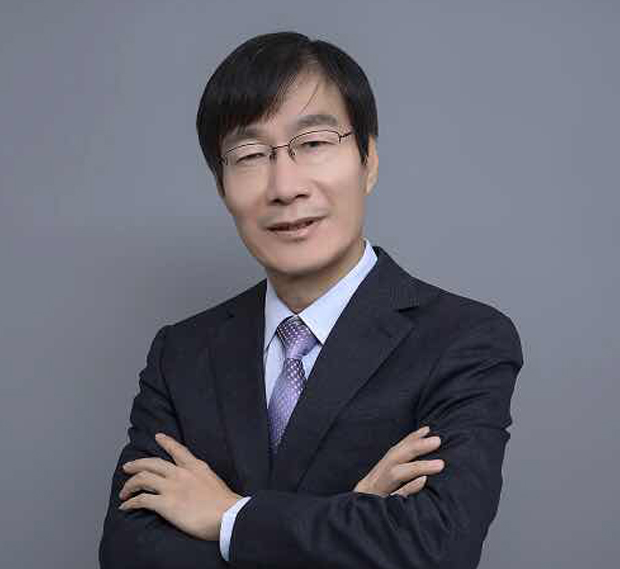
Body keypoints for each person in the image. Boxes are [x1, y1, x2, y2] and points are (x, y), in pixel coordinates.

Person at [99, 31, 524, 569]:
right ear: (221, 187)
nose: (285, 186)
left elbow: (434, 549)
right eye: (250, 154)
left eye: (315, 143)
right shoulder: (181, 354)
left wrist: (228, 516)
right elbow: (128, 554)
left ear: (369, 159)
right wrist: (353, 515)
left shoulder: (463, 340)